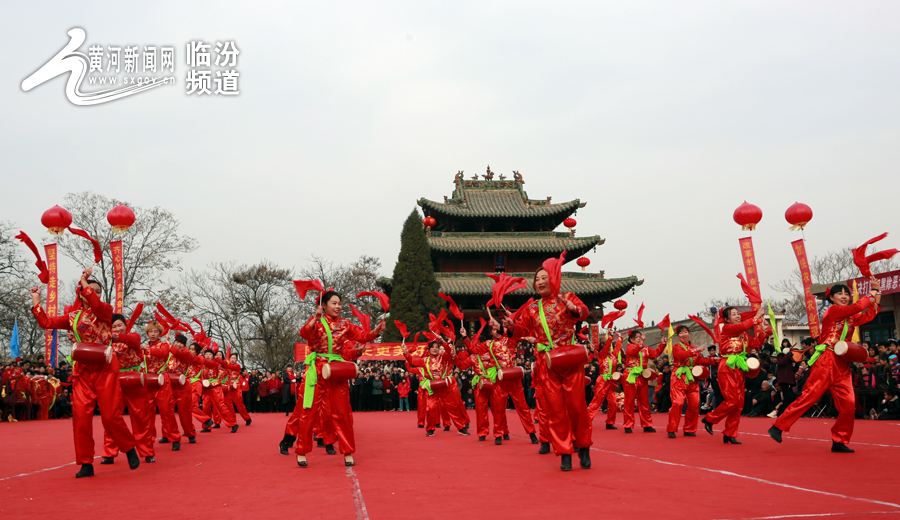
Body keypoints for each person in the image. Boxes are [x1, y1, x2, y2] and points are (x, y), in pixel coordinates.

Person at [29, 269, 140, 478]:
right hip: (82, 372)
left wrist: (84, 281)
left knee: (109, 415)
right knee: (80, 417)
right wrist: (36, 300)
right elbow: (47, 323)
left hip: (106, 369)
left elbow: (96, 305)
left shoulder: (106, 311)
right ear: (81, 294)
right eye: (91, 290)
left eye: (98, 291)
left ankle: (129, 447)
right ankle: (86, 463)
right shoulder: (72, 317)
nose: (94, 294)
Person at [770, 280, 881, 452]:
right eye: (840, 294)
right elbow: (857, 307)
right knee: (810, 397)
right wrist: (872, 292)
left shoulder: (849, 317)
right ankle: (778, 426)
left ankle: (839, 440)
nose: (844, 297)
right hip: (826, 359)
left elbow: (867, 315)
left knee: (849, 404)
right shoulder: (834, 311)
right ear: (831, 297)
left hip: (842, 363)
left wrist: (878, 294)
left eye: (847, 294)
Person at [503, 264, 591, 471]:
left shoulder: (567, 296)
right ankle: (564, 453)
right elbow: (522, 330)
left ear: (554, 279)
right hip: (547, 363)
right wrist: (510, 327)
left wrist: (574, 309)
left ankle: (584, 446)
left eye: (544, 278)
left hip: (570, 359)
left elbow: (584, 312)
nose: (540, 282)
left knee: (577, 408)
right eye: (537, 279)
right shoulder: (533, 308)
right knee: (556, 411)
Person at [294, 291, 384, 467]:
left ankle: (348, 452)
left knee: (343, 413)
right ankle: (302, 450)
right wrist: (315, 317)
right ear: (324, 305)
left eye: (339, 303)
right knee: (308, 412)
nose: (338, 306)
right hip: (316, 371)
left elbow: (361, 337)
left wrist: (376, 332)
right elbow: (304, 334)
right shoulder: (317, 323)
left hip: (336, 371)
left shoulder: (345, 324)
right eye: (334, 303)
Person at [702, 305, 770, 445]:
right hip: (727, 366)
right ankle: (710, 418)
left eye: (738, 313)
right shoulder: (726, 329)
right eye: (734, 314)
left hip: (739, 368)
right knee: (732, 400)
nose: (738, 315)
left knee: (738, 403)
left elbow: (756, 343)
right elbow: (742, 326)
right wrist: (756, 318)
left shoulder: (744, 335)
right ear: (726, 319)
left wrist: (763, 330)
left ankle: (730, 433)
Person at [466, 322, 538, 445]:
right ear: (491, 332)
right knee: (498, 409)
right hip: (499, 380)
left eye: (498, 328)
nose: (496, 331)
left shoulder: (511, 339)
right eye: (493, 329)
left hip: (514, 379)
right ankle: (498, 434)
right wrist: (464, 337)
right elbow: (473, 349)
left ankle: (531, 433)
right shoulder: (489, 344)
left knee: (523, 408)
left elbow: (519, 333)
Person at [101, 313, 156, 463]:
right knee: (112, 417)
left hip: (135, 381)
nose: (117, 328)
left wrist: (114, 336)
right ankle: (109, 452)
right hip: (114, 381)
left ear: (126, 326)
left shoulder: (133, 337)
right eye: (114, 327)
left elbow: (133, 341)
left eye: (120, 325)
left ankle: (147, 451)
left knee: (141, 417)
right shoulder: (105, 341)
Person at [403, 339, 471, 437]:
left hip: (444, 387)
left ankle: (461, 427)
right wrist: (405, 352)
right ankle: (430, 429)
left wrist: (443, 341)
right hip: (432, 388)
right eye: (432, 347)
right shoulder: (425, 360)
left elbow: (448, 351)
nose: (435, 349)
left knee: (452, 408)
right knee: (430, 408)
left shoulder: (443, 358)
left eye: (436, 347)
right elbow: (412, 361)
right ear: (429, 350)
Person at [666, 326, 719, 438]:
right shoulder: (676, 347)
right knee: (678, 403)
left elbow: (701, 361)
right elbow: (681, 356)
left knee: (695, 405)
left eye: (686, 332)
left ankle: (689, 429)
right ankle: (672, 428)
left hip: (692, 378)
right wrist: (696, 351)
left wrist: (714, 360)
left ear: (689, 334)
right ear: (678, 336)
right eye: (681, 333)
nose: (684, 334)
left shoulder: (695, 347)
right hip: (679, 377)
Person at [144, 321, 183, 450]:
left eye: (156, 331)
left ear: (160, 333)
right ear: (147, 333)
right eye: (150, 331)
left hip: (162, 380)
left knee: (167, 411)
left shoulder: (164, 345)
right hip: (149, 381)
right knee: (148, 413)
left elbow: (162, 354)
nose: (153, 334)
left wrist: (146, 350)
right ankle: (148, 440)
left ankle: (174, 437)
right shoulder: (144, 347)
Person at [621, 330, 666, 434]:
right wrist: (641, 343)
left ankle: (647, 424)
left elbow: (656, 353)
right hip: (631, 375)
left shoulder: (645, 348)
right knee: (629, 401)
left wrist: (662, 344)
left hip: (642, 376)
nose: (638, 338)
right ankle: (628, 425)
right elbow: (633, 352)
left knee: (644, 401)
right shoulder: (630, 347)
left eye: (639, 336)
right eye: (636, 337)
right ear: (631, 339)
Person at [588, 331, 623, 429]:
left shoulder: (613, 356)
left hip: (611, 381)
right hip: (602, 380)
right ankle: (586, 420)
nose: (608, 349)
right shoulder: (601, 356)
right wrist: (610, 337)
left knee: (613, 403)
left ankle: (610, 422)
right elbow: (607, 347)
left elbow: (617, 348)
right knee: (596, 402)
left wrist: (619, 338)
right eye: (605, 347)